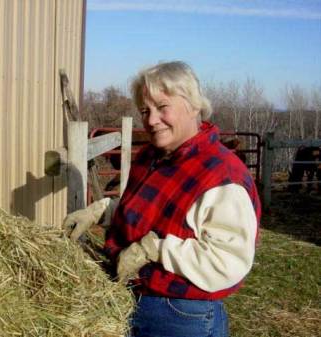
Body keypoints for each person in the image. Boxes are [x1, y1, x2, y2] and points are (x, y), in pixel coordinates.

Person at [63, 61, 261, 337]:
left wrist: (155, 250)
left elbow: (228, 261)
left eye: (162, 107)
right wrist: (104, 210)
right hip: (134, 299)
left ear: (193, 105)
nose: (151, 119)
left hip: (182, 315)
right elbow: (155, 215)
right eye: (145, 110)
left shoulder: (221, 174)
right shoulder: (152, 157)